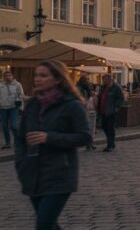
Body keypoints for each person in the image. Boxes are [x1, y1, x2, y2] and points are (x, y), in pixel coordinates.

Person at [15, 61, 91, 230]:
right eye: (36, 75)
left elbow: (85, 136)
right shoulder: (33, 103)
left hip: (59, 174)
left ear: (58, 79)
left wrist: (49, 138)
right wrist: (21, 163)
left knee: (43, 224)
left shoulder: (72, 105)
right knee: (49, 225)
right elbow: (21, 138)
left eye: (43, 75)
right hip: (33, 173)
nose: (37, 79)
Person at [97, 74, 124, 152]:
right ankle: (111, 143)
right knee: (104, 127)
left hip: (111, 111)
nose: (103, 80)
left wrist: (116, 107)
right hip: (103, 111)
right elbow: (100, 96)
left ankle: (110, 145)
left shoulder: (116, 87)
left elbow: (121, 98)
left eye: (104, 79)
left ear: (110, 79)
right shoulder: (103, 87)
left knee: (110, 128)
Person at [1, 71, 25, 149]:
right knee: (4, 126)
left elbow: (21, 95)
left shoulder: (17, 84)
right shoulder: (1, 85)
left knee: (13, 125)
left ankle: (17, 141)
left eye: (9, 75)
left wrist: (21, 107)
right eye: (6, 76)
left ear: (12, 76)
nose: (8, 77)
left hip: (14, 107)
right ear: (3, 77)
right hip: (3, 108)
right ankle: (8, 143)